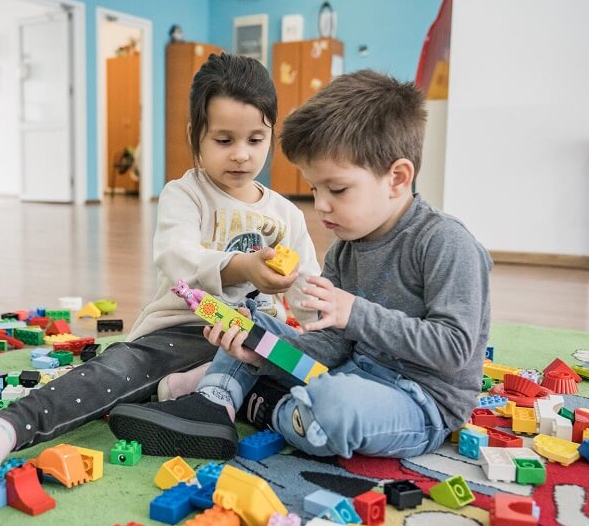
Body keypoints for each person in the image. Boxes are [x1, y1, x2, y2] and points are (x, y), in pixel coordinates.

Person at [0, 53, 320, 482]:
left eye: (255, 140)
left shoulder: (286, 215)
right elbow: (178, 259)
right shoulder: (185, 194)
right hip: (185, 330)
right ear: (196, 135)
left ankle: (190, 390)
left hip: (256, 342)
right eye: (224, 140)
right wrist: (244, 266)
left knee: (316, 382)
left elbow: (309, 290)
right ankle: (2, 430)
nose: (241, 155)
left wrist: (331, 331)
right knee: (113, 374)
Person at [108, 70, 493, 461]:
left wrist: (355, 313)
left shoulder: (446, 243)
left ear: (396, 177)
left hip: (418, 400)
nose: (321, 205)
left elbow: (455, 348)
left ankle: (257, 402)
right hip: (347, 371)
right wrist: (261, 350)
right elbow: (330, 347)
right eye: (314, 189)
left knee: (334, 407)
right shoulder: (346, 249)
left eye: (337, 189)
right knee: (248, 322)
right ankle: (212, 403)